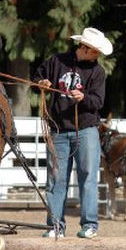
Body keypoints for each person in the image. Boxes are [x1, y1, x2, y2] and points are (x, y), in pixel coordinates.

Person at [34, 27, 113, 238]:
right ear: (84, 47)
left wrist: (83, 98)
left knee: (87, 177)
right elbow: (38, 78)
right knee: (56, 180)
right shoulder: (56, 61)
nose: (97, 55)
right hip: (58, 129)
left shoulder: (97, 72)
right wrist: (42, 83)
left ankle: (89, 225)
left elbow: (98, 101)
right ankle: (55, 226)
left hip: (86, 130)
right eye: (95, 51)